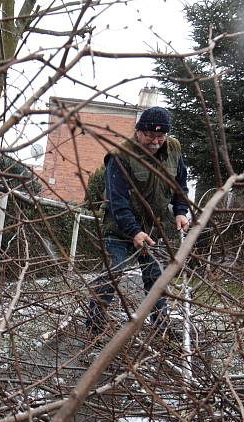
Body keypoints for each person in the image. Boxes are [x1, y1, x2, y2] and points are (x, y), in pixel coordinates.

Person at [86, 106, 190, 337]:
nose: (155, 141)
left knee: (155, 277)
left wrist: (181, 210)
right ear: (138, 132)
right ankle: (94, 325)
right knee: (114, 272)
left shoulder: (173, 149)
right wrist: (134, 232)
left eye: (160, 136)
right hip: (120, 227)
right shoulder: (120, 156)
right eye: (150, 136)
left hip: (153, 228)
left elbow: (179, 184)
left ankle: (161, 327)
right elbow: (117, 200)